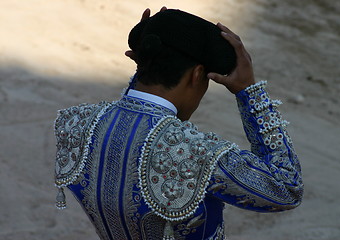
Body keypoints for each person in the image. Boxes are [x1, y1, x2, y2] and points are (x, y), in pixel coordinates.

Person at [54, 8, 303, 240]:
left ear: (142, 63)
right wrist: (250, 92)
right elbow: (286, 188)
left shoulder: (75, 123)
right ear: (197, 75)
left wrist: (146, 64)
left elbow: (131, 116)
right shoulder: (199, 155)